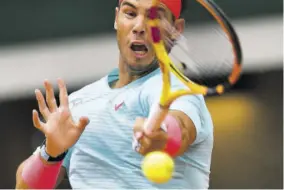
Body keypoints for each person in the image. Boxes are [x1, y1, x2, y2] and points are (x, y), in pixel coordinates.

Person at [15, 0, 214, 189]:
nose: (139, 26)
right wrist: (51, 153)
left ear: (176, 30)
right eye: (130, 13)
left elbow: (180, 129)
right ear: (117, 18)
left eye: (155, 17)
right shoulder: (77, 104)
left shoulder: (178, 92)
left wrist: (160, 134)